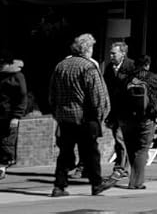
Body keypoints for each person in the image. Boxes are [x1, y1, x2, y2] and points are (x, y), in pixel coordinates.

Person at [49, 32, 113, 198]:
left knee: (64, 153)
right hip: (85, 117)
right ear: (86, 49)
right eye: (91, 47)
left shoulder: (61, 66)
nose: (92, 50)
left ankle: (59, 186)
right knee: (91, 152)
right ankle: (96, 183)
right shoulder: (88, 67)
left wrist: (57, 112)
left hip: (65, 117)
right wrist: (100, 116)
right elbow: (98, 95)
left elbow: (52, 94)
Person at [119, 56, 157, 190]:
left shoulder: (126, 79)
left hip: (127, 119)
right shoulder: (155, 78)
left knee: (131, 149)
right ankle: (136, 183)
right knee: (142, 149)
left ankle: (134, 179)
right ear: (147, 65)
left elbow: (117, 98)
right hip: (146, 118)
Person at [0, 53, 28, 178]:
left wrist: (16, 116)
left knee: (7, 141)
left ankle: (3, 167)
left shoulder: (17, 76)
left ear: (9, 64)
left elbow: (22, 97)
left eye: (1, 63)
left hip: (9, 114)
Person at [102, 40, 136, 180]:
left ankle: (120, 168)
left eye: (114, 53)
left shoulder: (132, 66)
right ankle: (124, 167)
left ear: (123, 53)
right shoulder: (110, 68)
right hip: (115, 110)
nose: (111, 56)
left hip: (128, 110)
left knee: (120, 138)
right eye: (110, 53)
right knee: (119, 140)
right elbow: (105, 87)